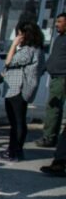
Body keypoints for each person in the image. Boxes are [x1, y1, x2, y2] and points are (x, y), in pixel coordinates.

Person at [0, 21, 46, 162]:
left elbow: (8, 62)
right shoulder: (38, 50)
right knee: (17, 122)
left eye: (19, 34)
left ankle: (14, 152)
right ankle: (13, 150)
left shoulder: (28, 51)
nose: (18, 37)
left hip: (17, 89)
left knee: (17, 122)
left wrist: (13, 45)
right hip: (24, 89)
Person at [36, 12, 66, 147]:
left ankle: (48, 137)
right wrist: (43, 69)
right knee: (55, 108)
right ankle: (52, 136)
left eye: (60, 22)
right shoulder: (60, 38)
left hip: (62, 78)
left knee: (53, 108)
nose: (56, 24)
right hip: (55, 77)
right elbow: (54, 57)